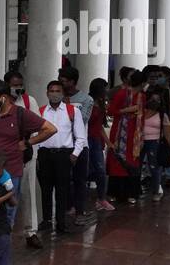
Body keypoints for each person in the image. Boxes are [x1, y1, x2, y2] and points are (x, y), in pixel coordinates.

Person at [0, 79, 55, 241]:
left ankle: (2, 245)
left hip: (10, 171)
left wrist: (28, 143)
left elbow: (50, 129)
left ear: (4, 97)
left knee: (7, 212)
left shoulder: (20, 113)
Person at [36, 81, 85, 235]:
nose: (54, 93)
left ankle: (61, 222)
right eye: (51, 90)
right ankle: (46, 220)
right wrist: (37, 154)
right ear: (47, 93)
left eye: (57, 91)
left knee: (62, 190)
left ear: (63, 93)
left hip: (64, 155)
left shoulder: (72, 111)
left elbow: (81, 137)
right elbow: (35, 135)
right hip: (45, 155)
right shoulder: (41, 111)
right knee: (45, 189)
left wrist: (74, 154)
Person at [4, 69, 45, 249]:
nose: (18, 88)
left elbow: (38, 126)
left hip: (26, 154)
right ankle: (3, 231)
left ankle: (31, 231)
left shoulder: (29, 102)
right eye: (14, 85)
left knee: (29, 193)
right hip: (5, 156)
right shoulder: (0, 102)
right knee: (6, 193)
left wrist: (29, 144)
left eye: (20, 85)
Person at [59, 66, 94, 221]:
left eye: (64, 81)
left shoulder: (86, 99)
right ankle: (66, 207)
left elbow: (83, 120)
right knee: (64, 180)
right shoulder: (57, 97)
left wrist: (67, 107)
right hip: (62, 145)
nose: (61, 84)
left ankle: (80, 211)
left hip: (80, 145)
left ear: (72, 82)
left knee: (80, 179)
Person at [107, 70, 147, 204]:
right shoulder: (122, 94)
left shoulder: (142, 96)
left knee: (133, 160)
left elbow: (142, 116)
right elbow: (111, 111)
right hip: (120, 132)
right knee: (117, 160)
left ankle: (131, 193)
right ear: (142, 83)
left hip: (135, 133)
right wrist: (126, 110)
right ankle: (114, 192)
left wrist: (141, 135)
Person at [87, 78, 115, 212]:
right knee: (88, 171)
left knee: (100, 170)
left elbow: (100, 126)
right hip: (87, 140)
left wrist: (108, 142)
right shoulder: (89, 103)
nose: (108, 90)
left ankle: (101, 199)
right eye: (105, 88)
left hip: (96, 140)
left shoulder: (101, 103)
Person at [141, 84, 170, 199]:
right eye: (153, 99)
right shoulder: (141, 111)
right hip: (140, 141)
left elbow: (167, 134)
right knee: (137, 166)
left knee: (154, 167)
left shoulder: (162, 115)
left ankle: (156, 191)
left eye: (158, 100)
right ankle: (134, 190)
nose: (155, 102)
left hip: (154, 142)